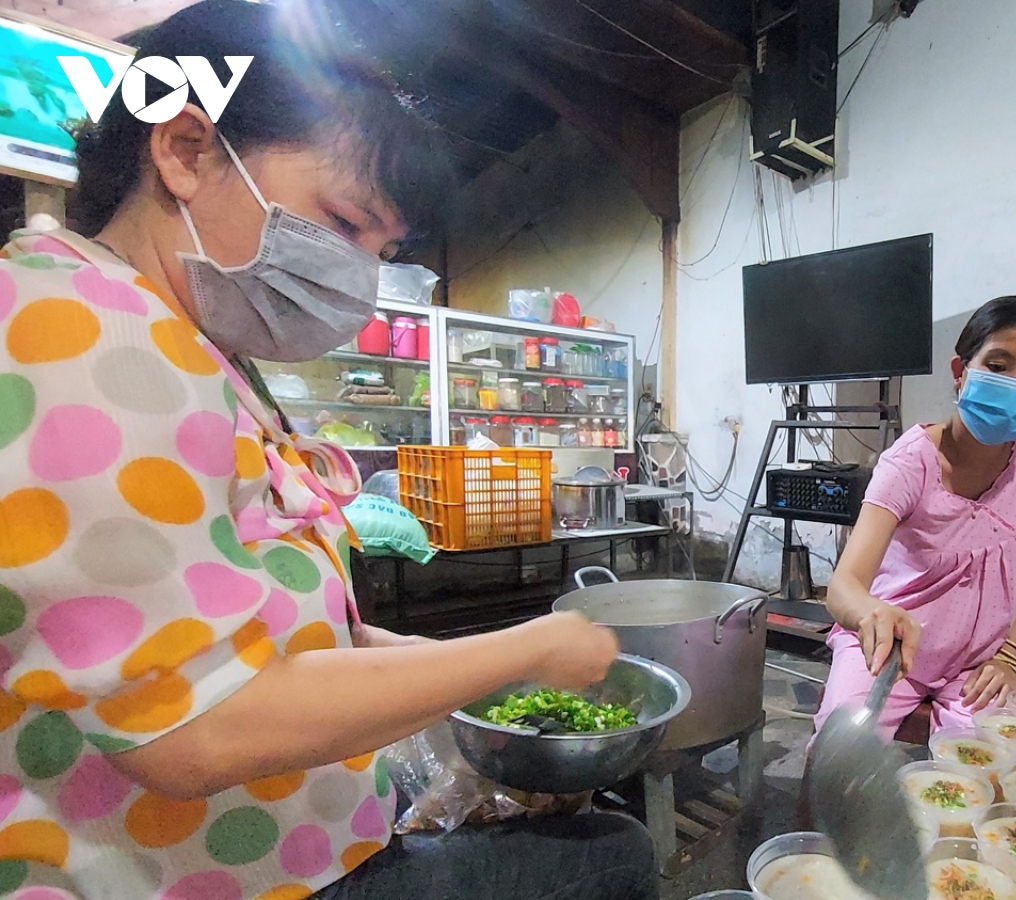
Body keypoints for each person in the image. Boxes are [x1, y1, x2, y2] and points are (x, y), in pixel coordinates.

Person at [0, 3, 657, 899]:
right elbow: (196, 731)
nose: (359, 280)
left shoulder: (196, 353)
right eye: (346, 224)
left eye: (380, 251)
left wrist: (456, 697)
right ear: (187, 149)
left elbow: (286, 643)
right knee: (615, 856)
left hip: (294, 843)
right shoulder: (78, 336)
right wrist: (524, 651)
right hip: (203, 880)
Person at [815, 296, 1016, 740]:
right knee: (841, 750)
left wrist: (1010, 655)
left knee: (997, 763)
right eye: (998, 365)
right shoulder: (909, 464)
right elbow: (845, 586)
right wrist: (869, 615)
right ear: (960, 372)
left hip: (986, 655)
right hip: (892, 648)